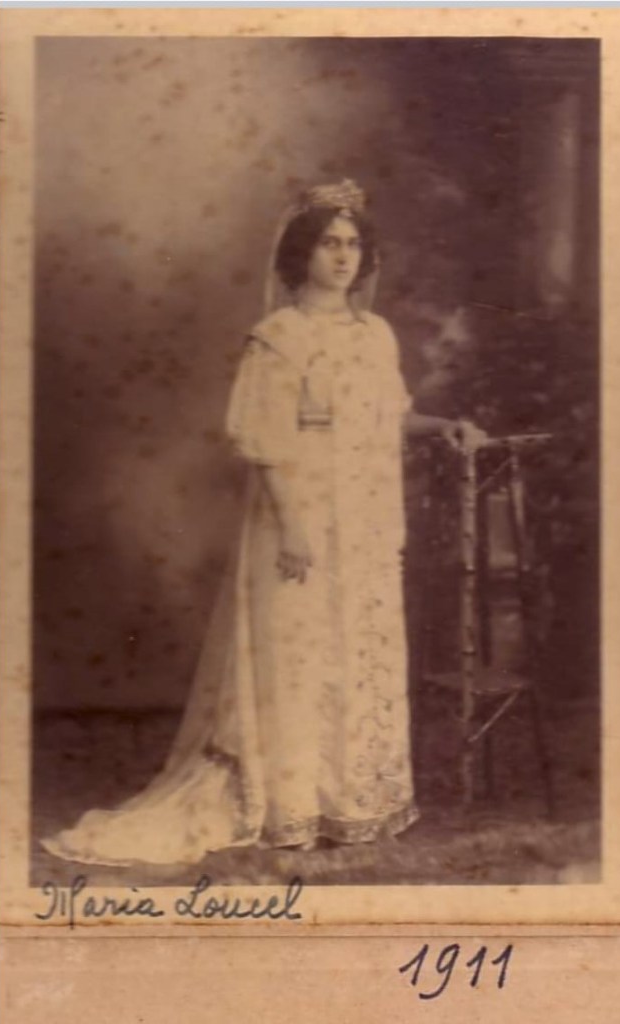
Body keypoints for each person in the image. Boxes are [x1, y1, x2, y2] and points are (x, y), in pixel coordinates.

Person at [41, 179, 485, 868]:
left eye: (352, 244)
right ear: (301, 253)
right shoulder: (277, 339)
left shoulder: (375, 336)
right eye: (328, 243)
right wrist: (294, 527)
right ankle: (291, 804)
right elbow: (263, 443)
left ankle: (350, 802)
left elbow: (387, 418)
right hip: (297, 517)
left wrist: (444, 425)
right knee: (299, 655)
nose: (342, 257)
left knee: (354, 650)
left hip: (365, 520)